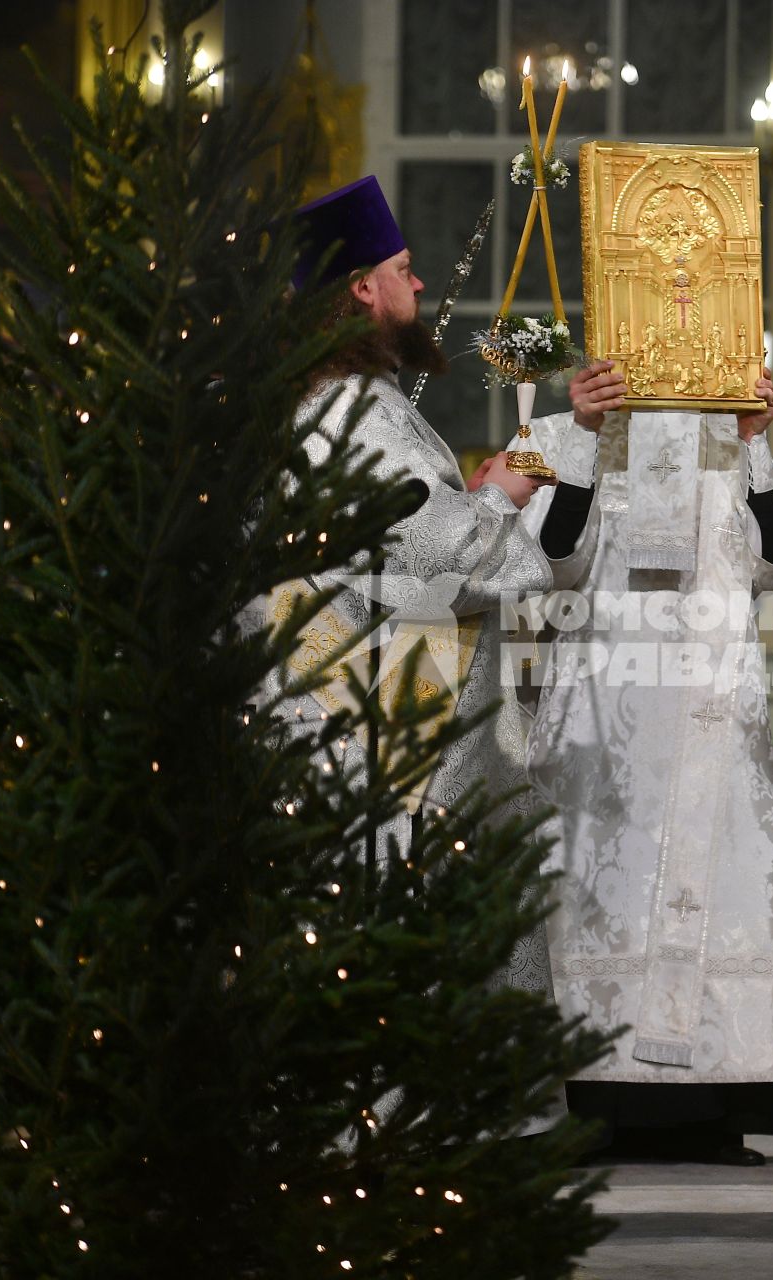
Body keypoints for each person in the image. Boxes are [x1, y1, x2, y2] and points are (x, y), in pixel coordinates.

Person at [268, 176, 562, 1125]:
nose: (419, 281)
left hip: (374, 718)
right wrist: (511, 493)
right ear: (360, 289)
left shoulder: (335, 401)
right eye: (401, 270)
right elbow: (445, 557)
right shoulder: (358, 411)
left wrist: (483, 490)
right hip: (397, 741)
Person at [513, 361, 773, 1166]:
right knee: (598, 894)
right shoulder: (564, 436)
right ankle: (597, 1107)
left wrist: (753, 443)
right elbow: (547, 561)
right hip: (603, 722)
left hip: (714, 715)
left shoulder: (736, 445)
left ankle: (715, 1115)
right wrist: (581, 433)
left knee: (721, 896)